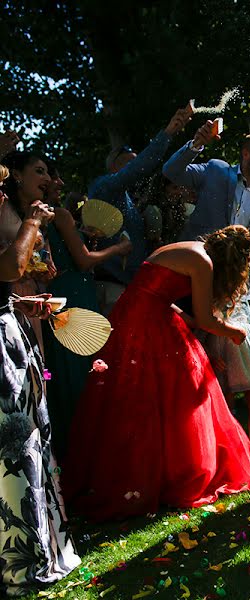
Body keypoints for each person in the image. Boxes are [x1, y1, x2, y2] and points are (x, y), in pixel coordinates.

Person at [64, 225, 250, 520]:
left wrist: (185, 318)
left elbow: (154, 291)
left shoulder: (188, 246)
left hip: (131, 316)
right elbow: (205, 319)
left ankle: (146, 470)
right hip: (149, 325)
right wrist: (234, 332)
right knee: (186, 395)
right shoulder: (202, 262)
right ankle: (180, 472)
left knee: (137, 396)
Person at [163, 124, 250, 455]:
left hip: (237, 296)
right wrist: (196, 144)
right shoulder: (214, 171)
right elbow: (172, 171)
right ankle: (207, 444)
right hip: (193, 283)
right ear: (246, 154)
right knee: (204, 374)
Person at [0, 163, 81, 595]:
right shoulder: (22, 217)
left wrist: (22, 304)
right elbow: (12, 265)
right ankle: (19, 562)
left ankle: (40, 546)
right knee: (14, 447)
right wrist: (31, 221)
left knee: (31, 441)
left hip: (12, 334)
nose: (2, 193)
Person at [42, 161, 132, 457]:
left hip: (56, 296)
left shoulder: (37, 215)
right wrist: (117, 249)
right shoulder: (61, 214)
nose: (59, 182)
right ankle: (91, 448)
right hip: (76, 294)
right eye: (52, 176)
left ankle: (69, 447)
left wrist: (84, 237)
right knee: (82, 369)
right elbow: (83, 261)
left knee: (61, 370)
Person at [89, 104, 193, 314]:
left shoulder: (131, 201)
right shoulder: (105, 187)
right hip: (110, 289)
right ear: (113, 167)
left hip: (132, 288)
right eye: (130, 165)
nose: (138, 170)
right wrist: (168, 132)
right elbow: (142, 166)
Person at [0, 151, 57, 353]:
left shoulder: (39, 216)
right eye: (40, 171)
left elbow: (45, 263)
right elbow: (12, 263)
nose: (48, 179)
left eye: (48, 173)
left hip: (25, 300)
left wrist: (44, 270)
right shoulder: (2, 206)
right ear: (16, 175)